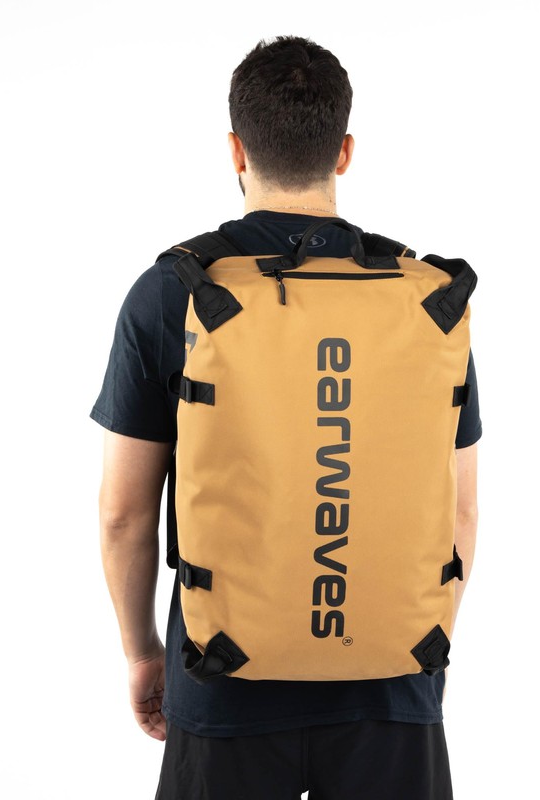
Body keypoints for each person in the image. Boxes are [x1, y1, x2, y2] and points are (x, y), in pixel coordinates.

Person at [90, 35, 481, 800]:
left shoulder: (177, 291)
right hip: (392, 691)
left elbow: (123, 515)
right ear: (345, 152)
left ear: (236, 151)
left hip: (221, 683)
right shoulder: (422, 301)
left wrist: (143, 653)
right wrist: (409, 644)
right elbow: (460, 511)